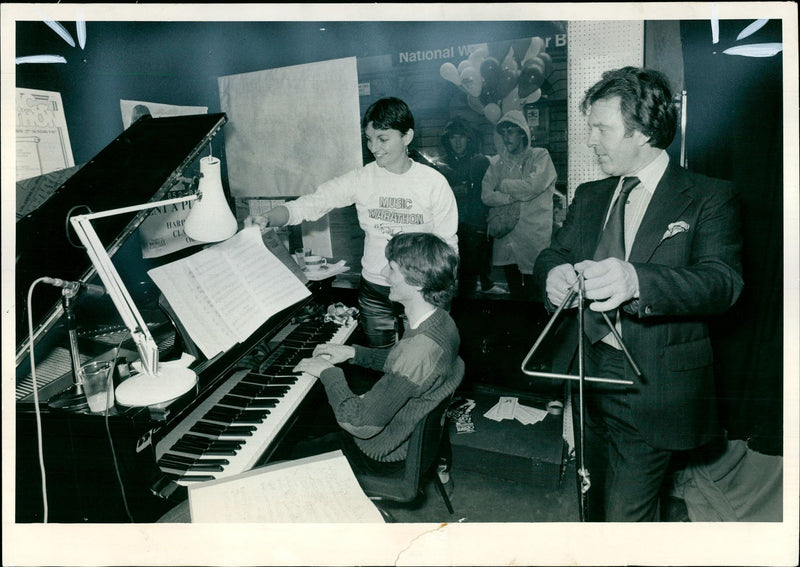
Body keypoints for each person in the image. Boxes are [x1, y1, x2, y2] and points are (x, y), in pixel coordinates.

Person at [533, 67, 743, 521]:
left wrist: (637, 281)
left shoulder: (708, 197)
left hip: (652, 383)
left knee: (626, 518)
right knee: (591, 502)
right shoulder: (589, 196)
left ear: (643, 132)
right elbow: (552, 255)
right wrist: (552, 279)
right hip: (586, 375)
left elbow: (723, 283)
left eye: (601, 128)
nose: (590, 140)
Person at [245, 97, 458, 348]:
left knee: (421, 364)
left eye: (383, 138)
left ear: (407, 136)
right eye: (369, 139)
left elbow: (448, 248)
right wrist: (268, 217)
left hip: (420, 292)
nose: (374, 147)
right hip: (375, 291)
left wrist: (439, 301)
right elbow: (312, 203)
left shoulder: (433, 183)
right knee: (383, 366)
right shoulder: (362, 178)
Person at [292, 232, 464, 482]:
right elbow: (414, 370)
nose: (384, 273)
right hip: (407, 436)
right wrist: (355, 353)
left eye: (392, 268)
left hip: (381, 453)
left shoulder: (417, 350)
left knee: (284, 455)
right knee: (315, 421)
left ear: (417, 282)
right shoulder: (440, 321)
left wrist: (328, 372)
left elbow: (360, 424)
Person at [481, 110, 557, 301]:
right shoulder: (497, 163)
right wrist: (508, 199)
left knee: (538, 290)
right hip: (506, 237)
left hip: (533, 236)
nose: (506, 137)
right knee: (515, 291)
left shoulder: (540, 156)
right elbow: (486, 195)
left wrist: (504, 185)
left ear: (522, 132)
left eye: (511, 132)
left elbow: (533, 186)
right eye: (503, 133)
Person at [435, 117, 503, 297]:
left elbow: (491, 189)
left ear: (469, 139)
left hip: (476, 221)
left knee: (475, 265)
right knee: (453, 265)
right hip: (450, 222)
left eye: (462, 137)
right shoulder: (440, 164)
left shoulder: (480, 161)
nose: (457, 142)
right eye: (453, 137)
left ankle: (477, 291)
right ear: (447, 140)